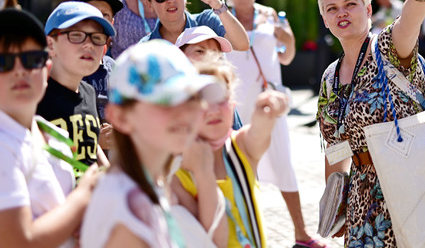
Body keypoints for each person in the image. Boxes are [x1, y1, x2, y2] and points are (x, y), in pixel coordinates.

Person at [316, 0, 425, 247]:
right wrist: (335, 202)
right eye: (332, 8)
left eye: (350, 4)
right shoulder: (330, 77)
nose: (342, 12)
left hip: (409, 187)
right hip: (360, 200)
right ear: (325, 20)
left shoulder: (388, 49)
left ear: (367, 10)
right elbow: (335, 148)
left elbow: (408, 23)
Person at [218, 0, 322, 248]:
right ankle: (246, 233)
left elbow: (287, 55)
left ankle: (301, 233)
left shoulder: (270, 15)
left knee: (283, 163)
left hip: (269, 102)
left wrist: (282, 31)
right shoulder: (221, 20)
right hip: (238, 103)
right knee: (241, 165)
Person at [80, 39, 225, 247]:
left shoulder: (152, 183)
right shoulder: (125, 208)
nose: (184, 113)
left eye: (192, 97)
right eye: (166, 101)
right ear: (120, 118)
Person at [0, 8, 100, 248]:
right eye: (3, 62)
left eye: (31, 59)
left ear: (46, 70)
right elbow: (18, 241)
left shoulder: (50, 133)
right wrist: (83, 196)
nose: (20, 70)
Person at [171, 54, 290, 248]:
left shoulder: (241, 146)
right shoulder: (178, 173)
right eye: (202, 101)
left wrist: (268, 108)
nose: (213, 110)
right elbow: (204, 236)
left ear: (233, 105)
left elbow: (259, 129)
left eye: (221, 99)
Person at [37, 1, 113, 167]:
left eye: (97, 38)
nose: (88, 44)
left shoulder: (89, 92)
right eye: (76, 35)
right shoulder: (34, 94)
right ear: (50, 44)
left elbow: (91, 146)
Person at [139, 0, 250, 51]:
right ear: (149, 4)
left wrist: (219, 7)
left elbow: (242, 45)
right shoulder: (146, 46)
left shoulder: (206, 22)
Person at [73, 0, 124, 151]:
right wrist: (93, 141)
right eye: (91, 13)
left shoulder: (116, 68)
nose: (98, 21)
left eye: (105, 16)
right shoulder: (60, 71)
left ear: (112, 23)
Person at [175, 25, 243, 130]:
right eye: (200, 51)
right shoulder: (171, 98)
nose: (209, 58)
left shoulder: (224, 97)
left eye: (215, 52)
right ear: (181, 55)